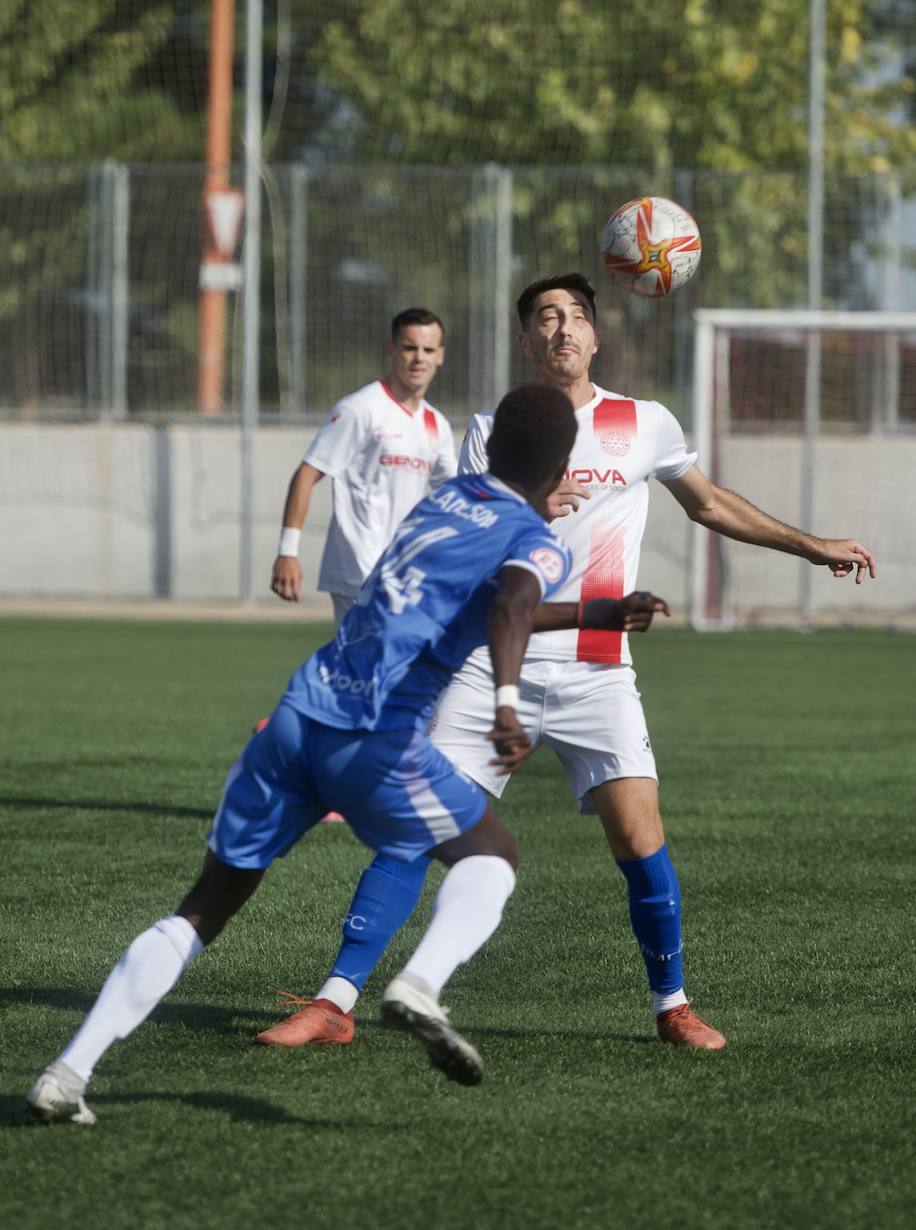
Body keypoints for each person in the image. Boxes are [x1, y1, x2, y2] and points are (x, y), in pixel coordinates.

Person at [258, 272, 877, 1053]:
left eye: (576, 316)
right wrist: (517, 510)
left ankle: (674, 1005)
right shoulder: (493, 430)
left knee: (639, 836)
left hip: (597, 667)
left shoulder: (643, 422)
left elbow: (712, 503)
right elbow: (471, 533)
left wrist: (814, 547)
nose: (562, 329)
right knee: (413, 829)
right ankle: (335, 1002)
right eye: (546, 318)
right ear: (525, 342)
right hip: (495, 664)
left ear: (596, 335)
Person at [26, 384, 670, 1124]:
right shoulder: (536, 540)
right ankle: (419, 984)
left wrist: (599, 611)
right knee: (491, 856)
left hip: (294, 720)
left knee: (202, 909)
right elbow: (510, 606)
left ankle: (68, 1072)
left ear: (489, 451)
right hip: (372, 735)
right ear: (562, 466)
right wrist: (503, 702)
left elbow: (478, 604)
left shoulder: (443, 498)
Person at [271, 307, 456, 624]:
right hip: (359, 572)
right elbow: (306, 474)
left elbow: (456, 492)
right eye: (409, 348)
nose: (418, 359)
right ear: (392, 349)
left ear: (440, 355)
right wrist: (288, 551)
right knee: (368, 669)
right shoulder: (361, 409)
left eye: (427, 350)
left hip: (406, 574)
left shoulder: (436, 424)